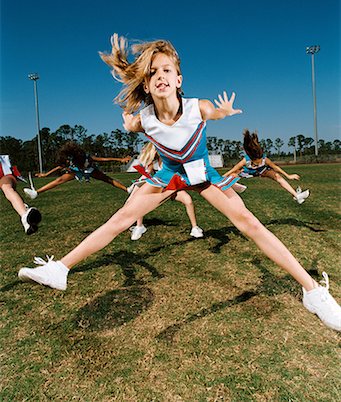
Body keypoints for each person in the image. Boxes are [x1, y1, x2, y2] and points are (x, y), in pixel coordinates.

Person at [18, 33, 341, 331]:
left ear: (178, 79)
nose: (160, 76)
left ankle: (313, 293)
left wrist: (222, 113)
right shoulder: (143, 119)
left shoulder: (196, 107)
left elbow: (211, 113)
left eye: (167, 70)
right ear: (145, 84)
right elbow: (133, 125)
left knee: (250, 224)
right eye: (153, 72)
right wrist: (130, 124)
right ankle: (59, 269)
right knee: (120, 219)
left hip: (202, 173)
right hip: (168, 174)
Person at [127, 142, 204, 240]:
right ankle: (139, 226)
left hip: (172, 188)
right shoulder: (155, 161)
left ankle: (195, 228)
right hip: (161, 188)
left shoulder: (171, 161)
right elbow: (148, 174)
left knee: (188, 200)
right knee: (141, 201)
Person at [224, 130, 310, 204]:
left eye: (260, 161)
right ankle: (231, 186)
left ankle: (297, 196)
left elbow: (275, 167)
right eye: (256, 162)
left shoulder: (264, 159)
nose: (258, 163)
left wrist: (288, 175)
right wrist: (223, 176)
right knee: (233, 175)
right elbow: (234, 168)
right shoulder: (245, 160)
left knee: (277, 176)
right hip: (247, 172)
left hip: (262, 171)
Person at [23, 142, 131, 199]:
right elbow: (59, 167)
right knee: (59, 180)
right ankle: (36, 193)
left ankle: (127, 190)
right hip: (76, 172)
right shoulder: (71, 160)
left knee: (107, 179)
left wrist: (120, 159)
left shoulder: (86, 157)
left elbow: (104, 159)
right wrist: (46, 174)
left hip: (89, 170)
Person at [0, 154, 41, 234]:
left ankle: (25, 216)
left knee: (7, 188)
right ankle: (24, 215)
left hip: (3, 171)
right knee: (8, 189)